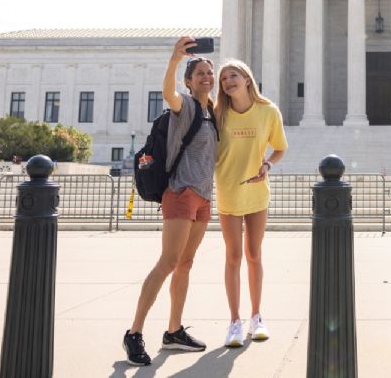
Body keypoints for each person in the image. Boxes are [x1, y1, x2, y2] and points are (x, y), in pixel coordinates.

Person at [122, 37, 219, 366]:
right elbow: (168, 93)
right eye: (201, 73)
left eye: (210, 72)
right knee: (167, 263)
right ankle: (134, 332)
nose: (207, 76)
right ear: (190, 81)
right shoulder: (186, 106)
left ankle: (174, 330)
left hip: (204, 197)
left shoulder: (212, 112)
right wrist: (175, 60)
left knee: (185, 265)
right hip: (180, 193)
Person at [214, 60, 288, 347]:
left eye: (233, 76)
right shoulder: (217, 114)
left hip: (257, 193)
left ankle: (257, 316)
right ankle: (234, 321)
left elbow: (280, 148)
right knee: (233, 257)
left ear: (247, 79)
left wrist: (267, 164)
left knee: (254, 255)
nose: (228, 81)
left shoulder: (269, 112)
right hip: (228, 191)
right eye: (223, 79)